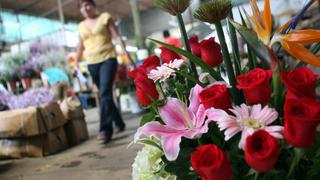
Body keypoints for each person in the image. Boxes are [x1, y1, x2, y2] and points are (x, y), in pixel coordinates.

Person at [75, 0, 134, 143]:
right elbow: (81, 46)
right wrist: (76, 63)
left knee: (105, 93)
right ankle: (119, 123)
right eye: (82, 6)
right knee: (104, 94)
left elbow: (117, 37)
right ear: (81, 10)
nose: (86, 8)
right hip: (91, 63)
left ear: (94, 6)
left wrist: (128, 56)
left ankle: (105, 130)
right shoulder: (81, 26)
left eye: (88, 4)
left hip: (108, 59)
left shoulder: (104, 17)